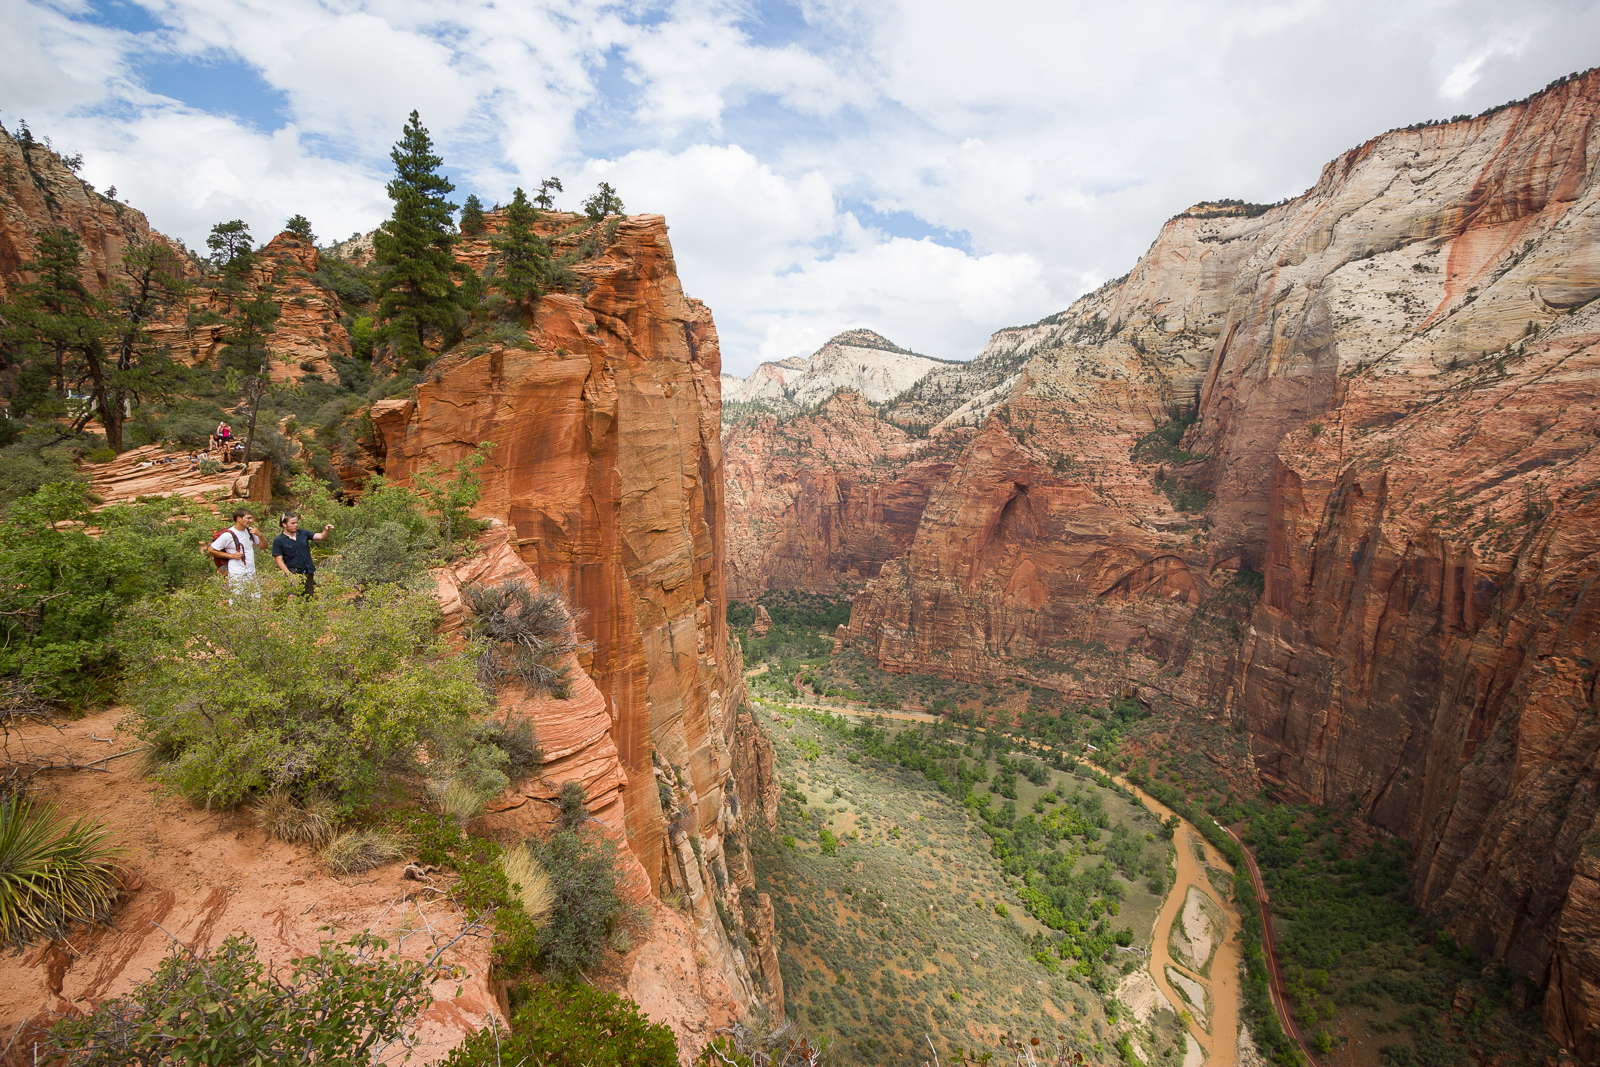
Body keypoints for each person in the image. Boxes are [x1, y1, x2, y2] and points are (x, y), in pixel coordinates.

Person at [272, 513, 333, 596]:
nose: (296, 525)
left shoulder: (303, 533)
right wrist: (289, 575)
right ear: (284, 524)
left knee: (308, 598)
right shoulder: (279, 540)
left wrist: (326, 530)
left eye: (296, 522)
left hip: (308, 572)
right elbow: (278, 560)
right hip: (293, 573)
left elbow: (322, 536)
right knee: (292, 596)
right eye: (293, 523)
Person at [207, 507, 264, 597]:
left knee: (255, 599)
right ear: (239, 519)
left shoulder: (250, 531)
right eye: (248, 518)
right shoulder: (227, 535)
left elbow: (264, 546)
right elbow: (211, 550)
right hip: (236, 573)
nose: (251, 520)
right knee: (237, 599)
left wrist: (259, 535)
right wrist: (232, 556)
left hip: (251, 572)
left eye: (251, 518)